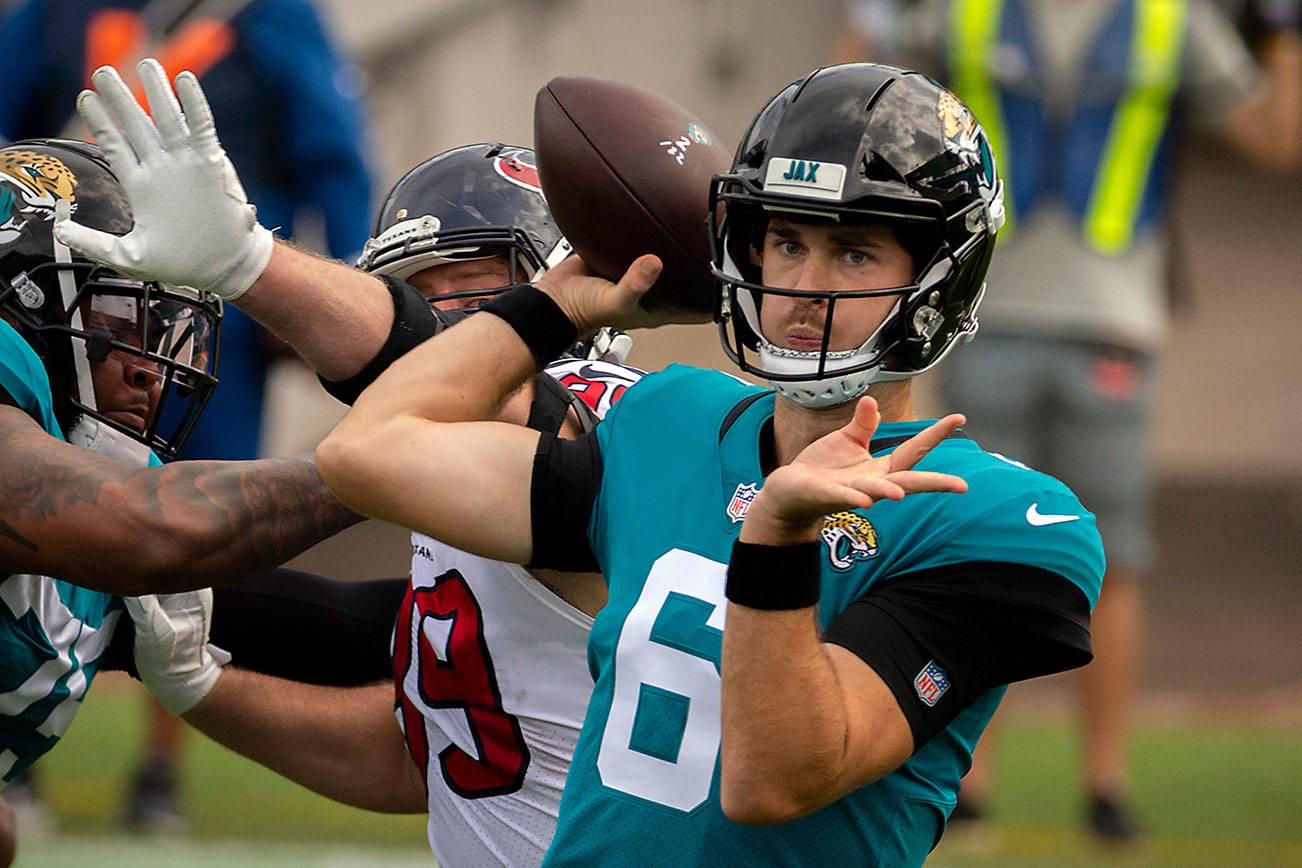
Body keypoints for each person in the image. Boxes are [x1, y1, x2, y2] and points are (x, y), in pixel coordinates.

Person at [60, 60, 1103, 865]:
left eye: (856, 252)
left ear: (943, 279)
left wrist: (776, 539)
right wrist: (551, 303)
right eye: (785, 243)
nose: (804, 286)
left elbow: (778, 777)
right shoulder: (669, 422)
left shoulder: (1002, 520)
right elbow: (370, 451)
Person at [54, 59, 640, 866]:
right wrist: (200, 681)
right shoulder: (482, 488)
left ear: (577, 290)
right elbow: (430, 750)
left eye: (477, 300)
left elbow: (481, 397)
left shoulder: (606, 420)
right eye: (416, 301)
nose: (451, 332)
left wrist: (250, 264)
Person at [832, 0, 1302, 838]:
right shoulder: (963, 11)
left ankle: (1105, 784)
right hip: (983, 316)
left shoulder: (1173, 19)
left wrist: (1285, 34)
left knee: (1114, 557)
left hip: (1111, 323)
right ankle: (970, 785)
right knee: (968, 548)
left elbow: (1275, 141)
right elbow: (857, 100)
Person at [0, 0, 377, 830]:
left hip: (183, 291)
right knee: (163, 526)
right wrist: (385, 465)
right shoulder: (53, 15)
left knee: (188, 556)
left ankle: (158, 773)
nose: (151, 373)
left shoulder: (272, 16)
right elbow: (149, 532)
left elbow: (332, 154)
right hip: (70, 275)